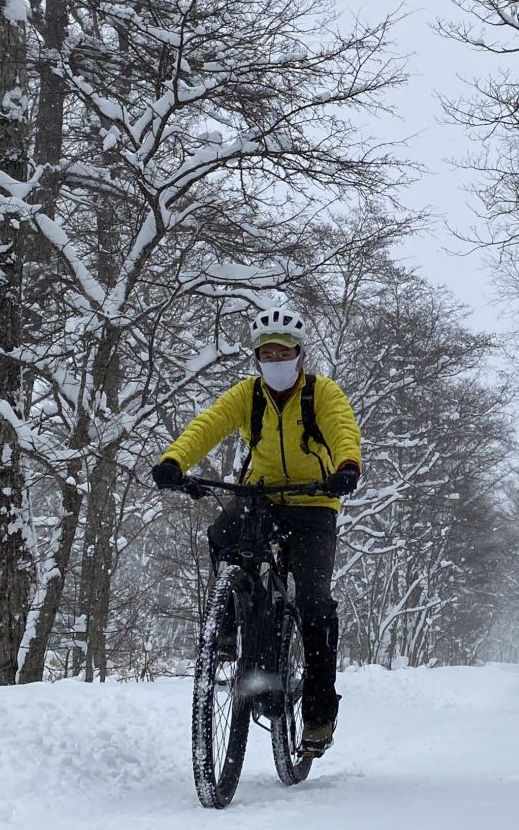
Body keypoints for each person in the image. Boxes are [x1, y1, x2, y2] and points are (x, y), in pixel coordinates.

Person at [152, 306, 362, 757]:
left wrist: (346, 466)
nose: (275, 360)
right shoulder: (247, 396)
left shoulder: (321, 394)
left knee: (313, 605)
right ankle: (229, 626)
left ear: (299, 355)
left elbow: (344, 430)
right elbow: (207, 425)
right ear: (257, 360)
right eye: (266, 353)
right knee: (222, 536)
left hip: (313, 501)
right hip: (263, 495)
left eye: (282, 352)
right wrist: (174, 461)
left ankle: (319, 715)